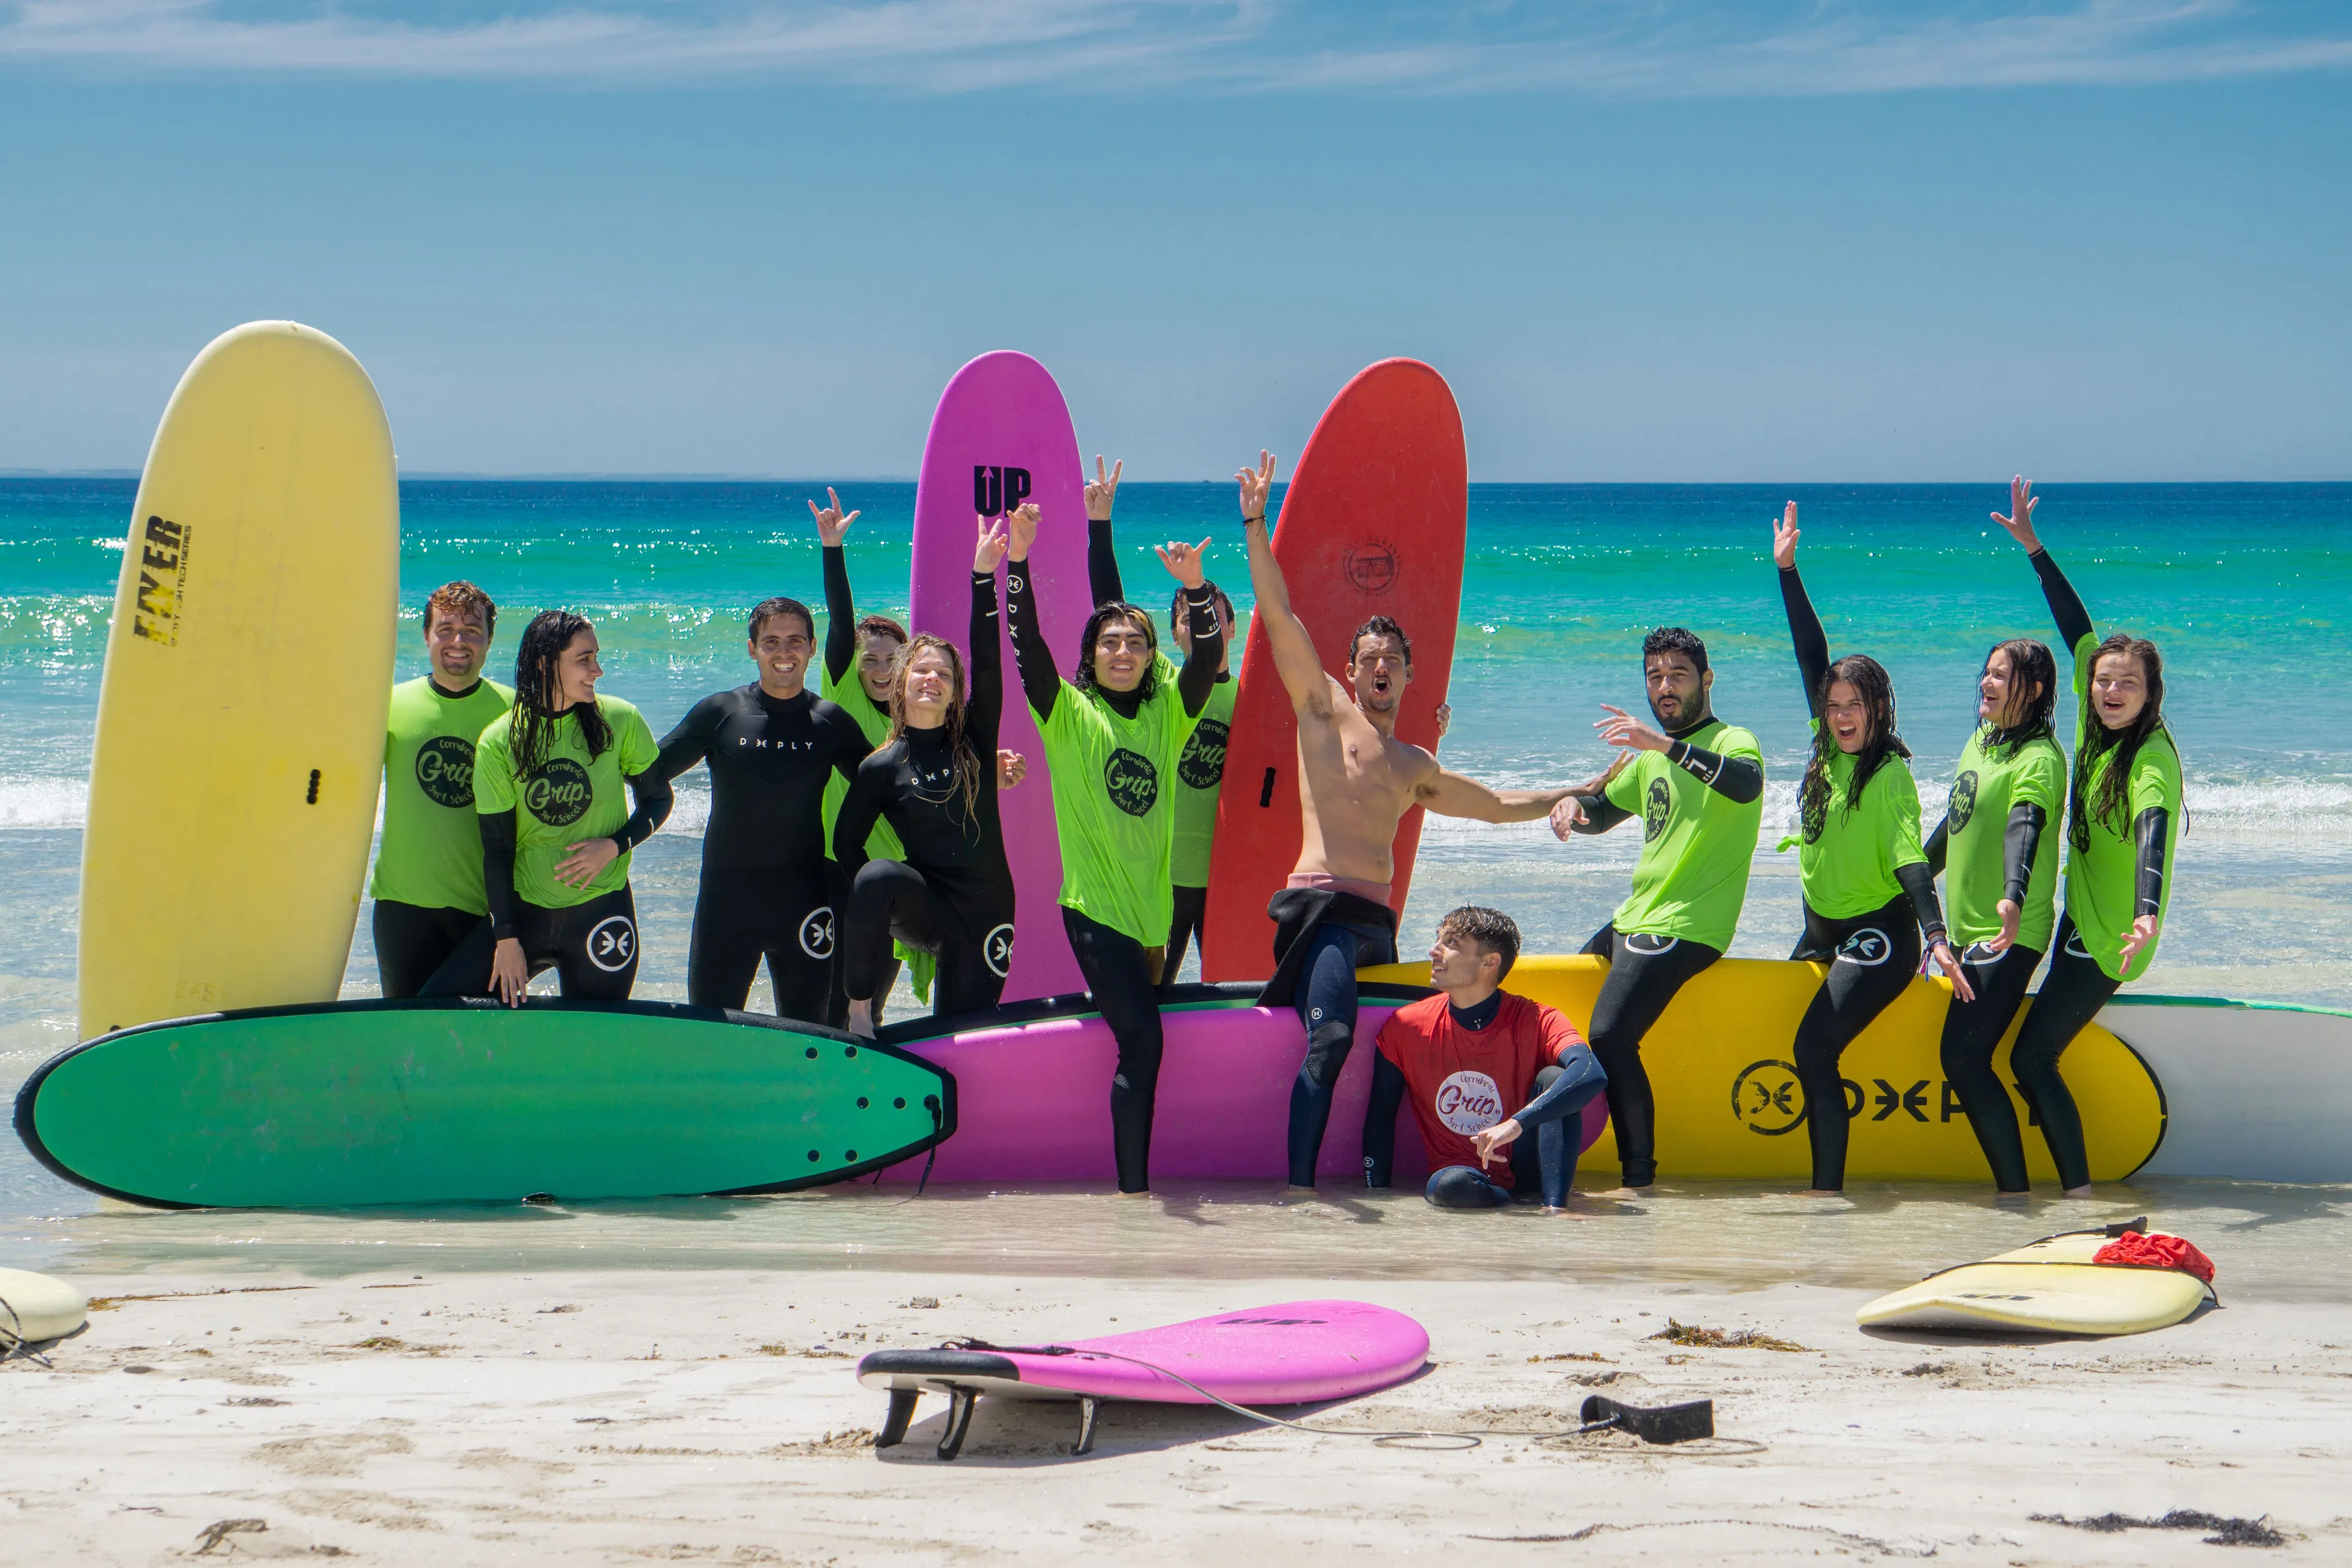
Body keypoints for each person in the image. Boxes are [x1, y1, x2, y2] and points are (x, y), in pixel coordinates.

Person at [1235, 451, 1579, 1192]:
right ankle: (1299, 1190)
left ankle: (1387, 1177)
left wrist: (1567, 793)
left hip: (1378, 922)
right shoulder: (1323, 711)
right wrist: (1258, 524)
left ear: (1409, 674)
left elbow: (1491, 806)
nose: (1380, 667)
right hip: (1323, 913)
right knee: (1329, 1037)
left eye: (1393, 658)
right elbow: (1280, 615)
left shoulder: (1413, 762)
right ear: (1352, 671)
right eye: (1369, 658)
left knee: (1387, 1046)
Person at [1004, 494, 1227, 1196]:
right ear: (1091, 658)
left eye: (1136, 642)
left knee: (1147, 1033)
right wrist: (1016, 561)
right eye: (1109, 643)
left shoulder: (1170, 713)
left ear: (1153, 656)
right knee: (1144, 1040)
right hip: (1094, 909)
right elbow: (1027, 646)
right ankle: (1134, 1193)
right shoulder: (1067, 715)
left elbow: (1211, 655)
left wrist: (1195, 588)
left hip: (1152, 914)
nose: (1123, 651)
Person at [1771, 503, 1972, 1194]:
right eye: (1833, 705)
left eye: (1855, 704)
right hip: (1820, 925)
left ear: (1880, 708)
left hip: (1875, 932)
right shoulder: (1826, 748)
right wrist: (1788, 572)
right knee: (1787, 1026)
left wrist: (1936, 934)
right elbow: (1809, 655)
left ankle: (1827, 1193)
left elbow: (1911, 858)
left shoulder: (1889, 775)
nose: (1843, 714)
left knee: (1811, 1047)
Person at [1991, 475, 2184, 1196]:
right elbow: (2076, 626)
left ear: (2148, 691)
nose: (2109, 691)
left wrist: (2146, 911)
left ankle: (2077, 1193)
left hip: (2114, 935)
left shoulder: (2150, 755)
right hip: (2082, 915)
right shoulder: (2092, 721)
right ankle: (2064, 1172)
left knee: (2032, 1059)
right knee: (2031, 1054)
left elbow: (2154, 828)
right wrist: (2036, 549)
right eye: (2103, 680)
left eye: (2125, 683)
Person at [1548, 625, 1765, 1191]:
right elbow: (1602, 814)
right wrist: (1573, 805)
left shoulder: (1731, 740)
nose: (1664, 687)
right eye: (1655, 676)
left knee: (1611, 1037)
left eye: (1678, 675)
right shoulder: (1647, 761)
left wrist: (1664, 745)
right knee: (1569, 1003)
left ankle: (1638, 1179)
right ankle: (1563, 1143)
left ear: (1707, 680)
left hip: (1689, 923)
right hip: (1636, 917)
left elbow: (1746, 785)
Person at [816, 488, 1027, 1023]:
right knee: (876, 876)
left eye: (945, 674)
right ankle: (861, 1016)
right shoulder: (881, 766)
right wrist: (884, 915)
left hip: (986, 911)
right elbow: (847, 846)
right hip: (927, 905)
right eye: (922, 670)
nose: (933, 678)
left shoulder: (976, 742)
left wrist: (984, 576)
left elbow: (991, 658)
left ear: (957, 690)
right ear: (902, 681)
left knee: (964, 1030)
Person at [423, 611, 671, 1005]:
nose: (598, 670)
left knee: (595, 1037)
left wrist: (614, 846)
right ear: (545, 663)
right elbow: (498, 850)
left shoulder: (619, 720)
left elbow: (658, 800)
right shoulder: (500, 741)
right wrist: (505, 938)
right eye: (584, 659)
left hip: (602, 912)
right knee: (437, 1005)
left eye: (596, 657)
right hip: (526, 914)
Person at [647, 592, 871, 1019]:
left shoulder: (830, 722)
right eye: (771, 642)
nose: (784, 652)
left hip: (805, 901)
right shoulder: (721, 712)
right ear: (752, 649)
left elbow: (887, 781)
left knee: (809, 1036)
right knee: (712, 1034)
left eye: (795, 641)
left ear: (811, 648)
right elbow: (648, 770)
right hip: (727, 902)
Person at [1076, 454, 1237, 987]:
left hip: (1225, 879)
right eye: (1185, 620)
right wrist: (1100, 526)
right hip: (1159, 879)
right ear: (1172, 635)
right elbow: (1110, 607)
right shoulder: (1164, 685)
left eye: (1207, 617)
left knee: (1224, 996)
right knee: (1151, 996)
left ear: (1229, 627)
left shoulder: (1253, 698)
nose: (1195, 626)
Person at [1924, 616, 2068, 1199]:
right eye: (1985, 671)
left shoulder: (2038, 757)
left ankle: (2015, 1191)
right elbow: (1956, 820)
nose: (1986, 682)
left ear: (2031, 690)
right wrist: (1909, 877)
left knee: (1962, 1056)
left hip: (2009, 932)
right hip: (1968, 932)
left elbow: (2024, 826)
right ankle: (2017, 1188)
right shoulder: (1983, 739)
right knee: (1963, 1056)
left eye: (2001, 676)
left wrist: (2014, 890)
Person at [1364, 907, 1608, 1211]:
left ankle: (1555, 1209)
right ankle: (1508, 1204)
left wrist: (1516, 1124)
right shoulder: (1406, 1026)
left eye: (1451, 943)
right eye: (1438, 940)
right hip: (1461, 1173)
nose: (1434, 950)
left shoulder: (1537, 1018)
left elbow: (1590, 1073)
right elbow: (1380, 1115)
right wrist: (1377, 1191)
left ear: (1490, 962)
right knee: (1452, 1187)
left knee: (1554, 1078)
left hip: (1529, 1167)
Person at [369, 581, 513, 998]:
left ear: (489, 640)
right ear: (426, 636)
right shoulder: (389, 705)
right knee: (406, 1036)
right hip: (402, 906)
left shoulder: (514, 711)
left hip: (483, 913)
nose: (458, 641)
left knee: (480, 1038)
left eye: (472, 630)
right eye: (445, 628)